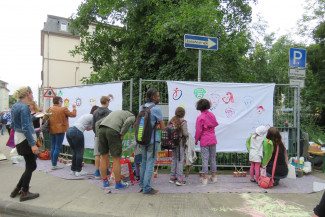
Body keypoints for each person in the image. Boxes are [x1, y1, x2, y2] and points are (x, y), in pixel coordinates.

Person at [9, 86, 39, 202]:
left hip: (19, 138)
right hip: (25, 139)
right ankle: (25, 192)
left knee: (30, 165)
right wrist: (33, 144)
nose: (32, 96)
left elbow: (15, 123)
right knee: (31, 166)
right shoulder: (25, 108)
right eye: (32, 94)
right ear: (27, 94)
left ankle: (17, 189)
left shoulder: (15, 106)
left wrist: (32, 117)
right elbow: (26, 127)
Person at [98, 110, 135, 189]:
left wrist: (97, 134)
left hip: (101, 129)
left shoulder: (115, 112)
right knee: (116, 159)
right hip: (113, 131)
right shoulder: (132, 116)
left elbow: (98, 122)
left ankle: (105, 182)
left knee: (103, 157)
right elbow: (128, 122)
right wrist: (122, 133)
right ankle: (118, 184)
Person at [139, 88, 165, 195]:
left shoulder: (142, 107)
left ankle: (142, 185)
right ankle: (147, 188)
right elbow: (162, 126)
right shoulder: (156, 109)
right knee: (150, 163)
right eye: (158, 96)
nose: (159, 98)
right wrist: (158, 126)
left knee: (144, 162)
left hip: (143, 138)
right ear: (154, 97)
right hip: (153, 140)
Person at [45, 96, 77, 170]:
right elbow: (73, 115)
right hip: (61, 129)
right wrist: (74, 108)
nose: (62, 103)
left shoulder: (49, 109)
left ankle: (53, 164)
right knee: (57, 147)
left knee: (53, 147)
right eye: (61, 101)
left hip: (51, 130)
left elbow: (44, 118)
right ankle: (54, 165)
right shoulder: (63, 109)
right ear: (59, 101)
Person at [66, 106, 98, 177]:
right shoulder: (92, 117)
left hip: (69, 131)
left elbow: (88, 128)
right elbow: (94, 127)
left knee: (75, 152)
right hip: (77, 132)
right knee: (80, 152)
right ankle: (79, 171)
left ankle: (73, 170)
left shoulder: (87, 116)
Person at [195, 98, 219, 185]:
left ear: (199, 107)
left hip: (204, 140)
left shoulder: (200, 117)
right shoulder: (212, 115)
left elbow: (198, 130)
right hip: (212, 139)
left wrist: (196, 139)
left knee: (205, 159)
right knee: (213, 158)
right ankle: (214, 176)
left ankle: (205, 178)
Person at [168, 107, 189, 186]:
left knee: (174, 159)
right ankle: (179, 179)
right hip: (180, 144)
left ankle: (172, 177)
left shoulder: (172, 121)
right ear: (183, 114)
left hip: (173, 143)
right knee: (180, 160)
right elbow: (185, 134)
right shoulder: (183, 122)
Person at [92, 96, 112, 179]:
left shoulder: (95, 112)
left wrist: (96, 132)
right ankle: (106, 170)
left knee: (97, 154)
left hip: (98, 134)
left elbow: (93, 125)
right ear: (107, 102)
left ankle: (97, 172)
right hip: (107, 135)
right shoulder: (110, 112)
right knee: (106, 154)